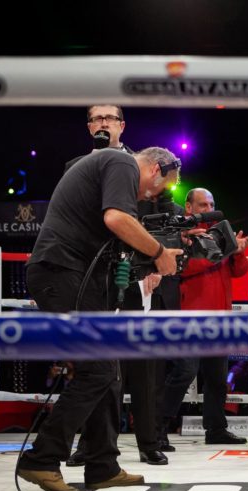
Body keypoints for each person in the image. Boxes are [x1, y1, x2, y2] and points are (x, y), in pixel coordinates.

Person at [18, 147, 183, 491]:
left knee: (109, 371)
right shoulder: (121, 162)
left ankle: (102, 465)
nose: (146, 197)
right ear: (155, 169)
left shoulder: (110, 170)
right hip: (60, 274)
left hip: (75, 277)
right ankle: (41, 459)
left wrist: (152, 257)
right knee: (98, 371)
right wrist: (159, 254)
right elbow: (117, 220)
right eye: (154, 190)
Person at [66, 104, 172, 468]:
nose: (102, 123)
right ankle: (93, 444)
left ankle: (149, 441)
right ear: (88, 127)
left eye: (109, 118)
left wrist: (155, 257)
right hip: (94, 274)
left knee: (140, 365)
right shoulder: (76, 167)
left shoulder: (139, 165)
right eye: (96, 118)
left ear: (122, 126)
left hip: (137, 273)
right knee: (95, 364)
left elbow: (155, 218)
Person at [160, 188, 248, 446]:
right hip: (192, 317)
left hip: (220, 318)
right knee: (185, 372)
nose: (208, 208)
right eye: (202, 204)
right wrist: (222, 250)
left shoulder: (222, 231)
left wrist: (238, 251)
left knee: (217, 378)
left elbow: (240, 271)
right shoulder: (181, 234)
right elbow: (181, 269)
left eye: (211, 203)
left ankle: (216, 429)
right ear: (188, 207)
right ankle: (159, 427)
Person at [65, 105, 132, 170]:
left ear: (122, 126)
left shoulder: (139, 162)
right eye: (98, 119)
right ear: (90, 128)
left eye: (111, 118)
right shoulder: (74, 166)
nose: (104, 124)